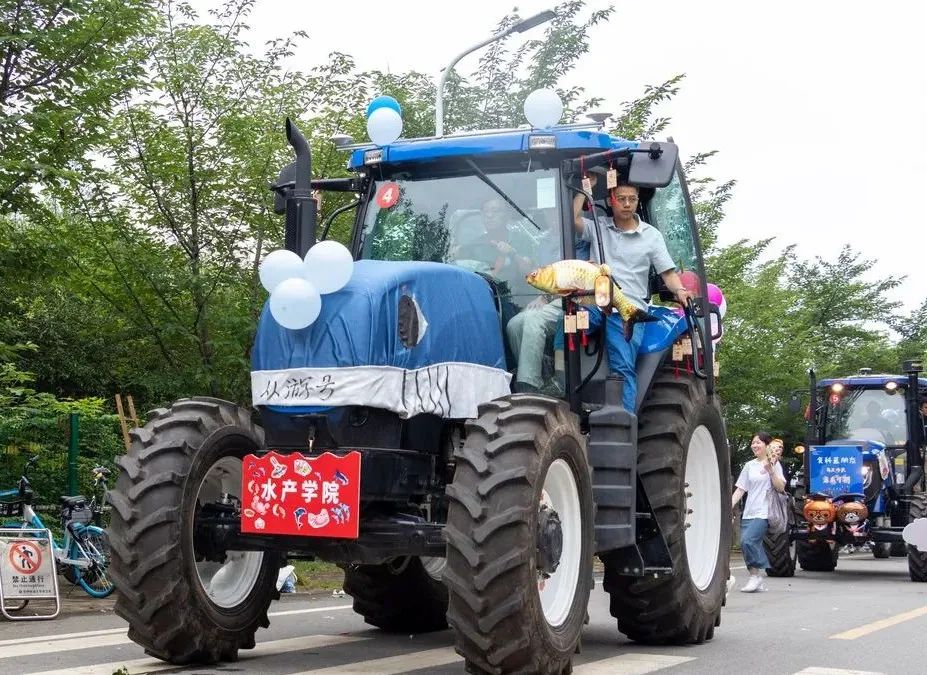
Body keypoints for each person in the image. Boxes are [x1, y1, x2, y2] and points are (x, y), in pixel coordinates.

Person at [573, 174, 691, 411]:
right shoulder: (598, 226)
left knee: (623, 367)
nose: (627, 204)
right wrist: (585, 190)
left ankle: (624, 424)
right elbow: (573, 219)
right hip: (595, 302)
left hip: (628, 309)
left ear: (637, 202)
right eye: (621, 199)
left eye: (632, 199)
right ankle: (559, 385)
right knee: (566, 323)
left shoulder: (651, 236)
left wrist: (679, 290)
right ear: (611, 200)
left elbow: (667, 273)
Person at [731, 432, 786, 592]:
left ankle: (755, 577)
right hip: (749, 511)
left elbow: (781, 488)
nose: (754, 445)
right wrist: (729, 506)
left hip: (765, 511)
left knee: (748, 540)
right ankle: (756, 578)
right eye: (753, 443)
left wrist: (771, 471)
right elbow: (741, 489)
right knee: (744, 543)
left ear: (767, 445)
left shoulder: (774, 464)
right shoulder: (749, 465)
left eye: (758, 443)